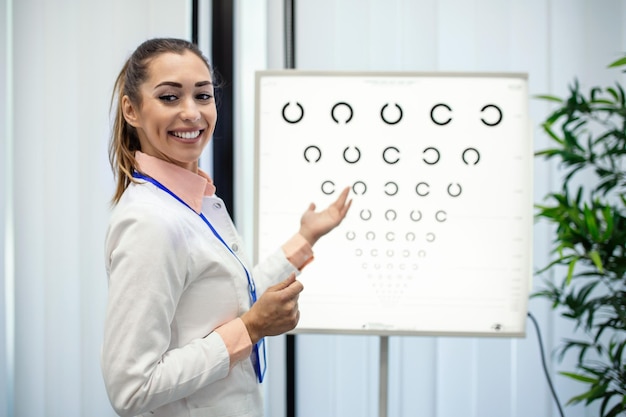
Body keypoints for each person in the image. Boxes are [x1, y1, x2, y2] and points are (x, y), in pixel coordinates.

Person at [101, 38, 352, 417]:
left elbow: (234, 294)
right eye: (170, 97)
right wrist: (249, 330)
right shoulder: (150, 223)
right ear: (131, 110)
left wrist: (306, 238)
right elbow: (132, 389)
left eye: (203, 96)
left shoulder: (193, 202)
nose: (192, 113)